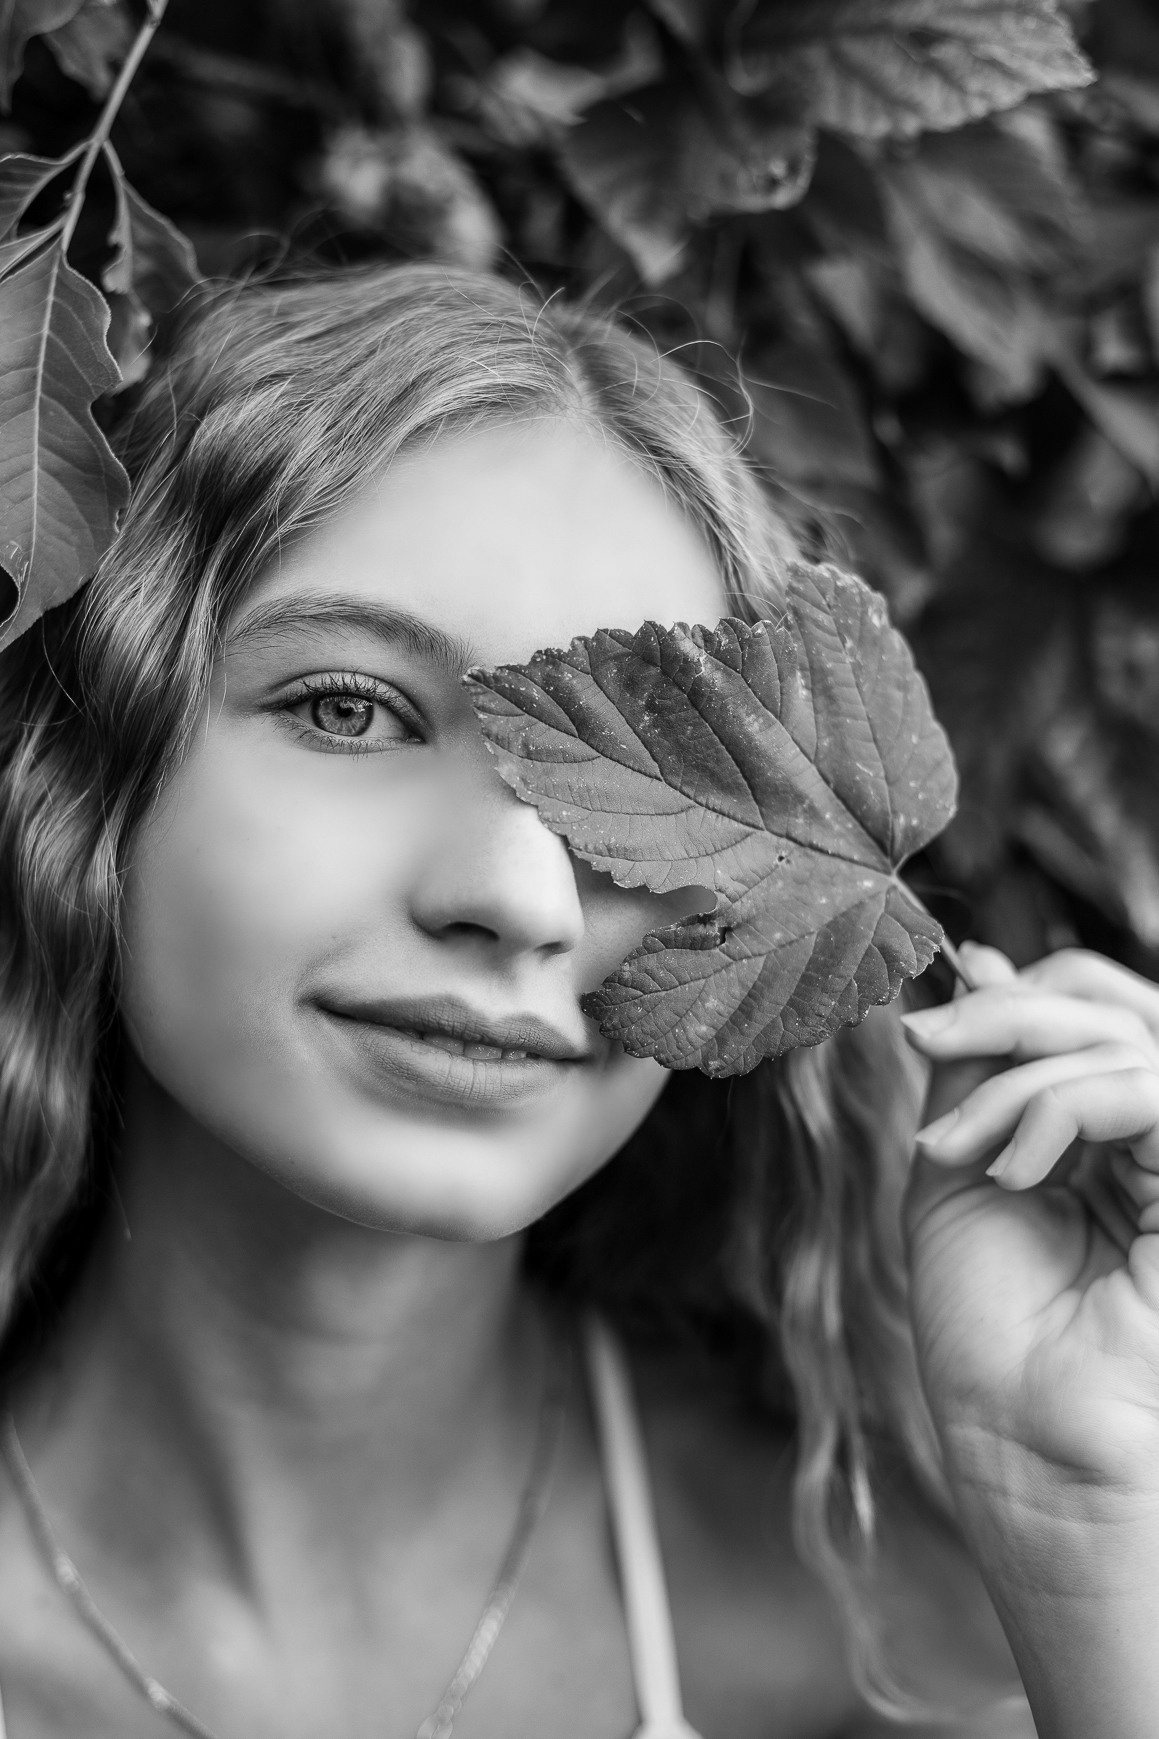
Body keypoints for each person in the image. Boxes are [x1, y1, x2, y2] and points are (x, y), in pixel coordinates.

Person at [0, 263, 1156, 1739]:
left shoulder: (922, 1655)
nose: (525, 900)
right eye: (350, 709)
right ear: (89, 773)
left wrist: (1086, 1533)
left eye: (650, 787)